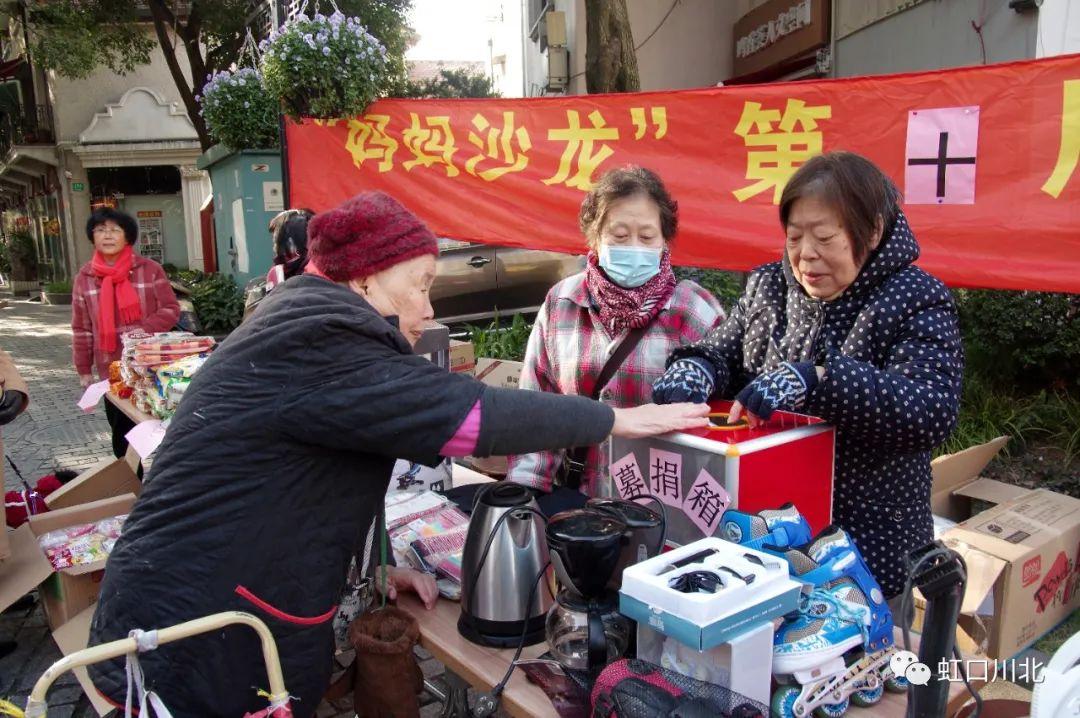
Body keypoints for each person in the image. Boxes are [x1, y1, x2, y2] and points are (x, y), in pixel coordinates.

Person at [88, 191, 708, 717]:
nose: (429, 308)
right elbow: (471, 418)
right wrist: (615, 419)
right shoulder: (322, 335)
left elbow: (332, 468)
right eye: (421, 285)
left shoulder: (306, 322)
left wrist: (378, 565)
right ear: (365, 277)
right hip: (194, 633)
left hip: (195, 613)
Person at [653, 151, 963, 600]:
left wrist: (820, 380)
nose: (806, 255)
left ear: (872, 231)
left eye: (824, 237)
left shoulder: (916, 298)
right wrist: (696, 367)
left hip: (868, 544)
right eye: (794, 237)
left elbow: (929, 409)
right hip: (769, 532)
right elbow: (724, 352)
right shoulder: (769, 287)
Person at [506, 167, 724, 497]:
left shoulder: (694, 312)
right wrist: (525, 497)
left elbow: (722, 425)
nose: (634, 247)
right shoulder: (562, 303)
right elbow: (535, 408)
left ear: (665, 240)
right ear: (595, 238)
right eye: (620, 236)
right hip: (579, 506)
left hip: (665, 508)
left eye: (647, 237)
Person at [72, 208, 180, 458]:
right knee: (121, 432)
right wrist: (84, 369)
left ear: (127, 237)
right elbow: (82, 328)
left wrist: (142, 331)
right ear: (92, 237)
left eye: (114, 230)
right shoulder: (85, 278)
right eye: (100, 230)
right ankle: (132, 486)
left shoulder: (150, 270)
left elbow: (171, 309)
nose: (107, 236)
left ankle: (164, 483)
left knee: (158, 428)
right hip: (111, 368)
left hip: (151, 366)